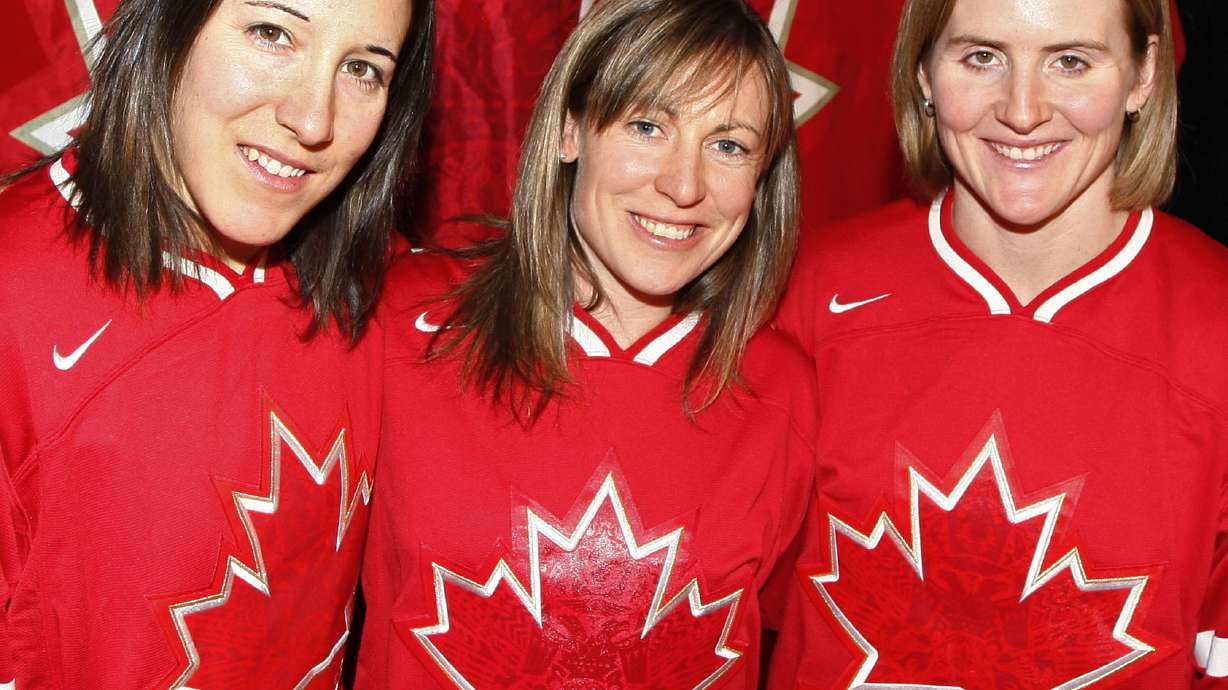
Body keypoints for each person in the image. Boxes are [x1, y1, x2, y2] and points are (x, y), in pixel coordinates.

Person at [767, 0, 1228, 687]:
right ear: (923, 72)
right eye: (981, 57)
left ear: (1143, 75)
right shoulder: (807, 292)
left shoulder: (1214, 322)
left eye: (1071, 61)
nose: (1021, 109)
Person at [355, 0, 815, 686]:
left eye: (729, 145)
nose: (683, 185)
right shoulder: (403, 317)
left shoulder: (784, 389)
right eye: (648, 126)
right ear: (571, 130)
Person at [0, 0, 434, 686]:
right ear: (167, 23)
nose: (314, 121)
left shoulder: (386, 294)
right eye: (273, 33)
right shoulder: (13, 296)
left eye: (362, 69)